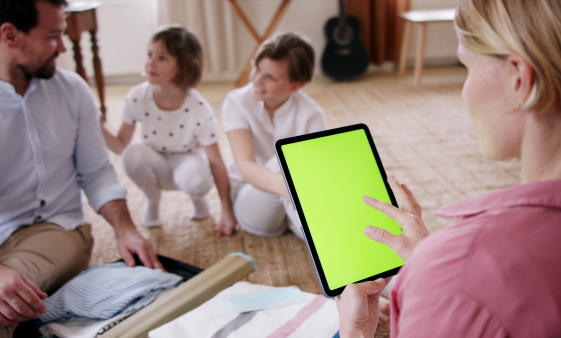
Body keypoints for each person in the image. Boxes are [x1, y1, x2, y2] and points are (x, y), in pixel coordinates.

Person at [336, 0, 561, 336]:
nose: (464, 92)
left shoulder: (457, 277)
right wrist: (432, 263)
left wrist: (355, 333)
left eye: (466, 68)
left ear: (519, 79)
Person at [0, 0, 162, 336]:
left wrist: (125, 228)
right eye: (53, 36)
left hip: (56, 228)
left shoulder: (73, 90)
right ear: (10, 35)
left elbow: (97, 172)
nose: (63, 47)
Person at [100, 26, 236, 236]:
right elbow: (120, 146)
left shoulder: (199, 108)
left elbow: (217, 163)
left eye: (162, 58)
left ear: (184, 67)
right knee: (132, 155)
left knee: (196, 180)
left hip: (188, 163)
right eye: (150, 54)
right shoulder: (137, 96)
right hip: (155, 164)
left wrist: (226, 211)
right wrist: (99, 128)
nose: (150, 63)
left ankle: (198, 200)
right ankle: (152, 199)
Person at [222, 32, 327, 239]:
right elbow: (245, 167)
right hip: (253, 200)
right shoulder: (236, 102)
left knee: (303, 169)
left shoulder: (312, 114)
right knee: (286, 159)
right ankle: (323, 240)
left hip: (297, 198)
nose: (257, 80)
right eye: (257, 68)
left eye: (270, 77)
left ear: (294, 86)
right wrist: (289, 189)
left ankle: (327, 245)